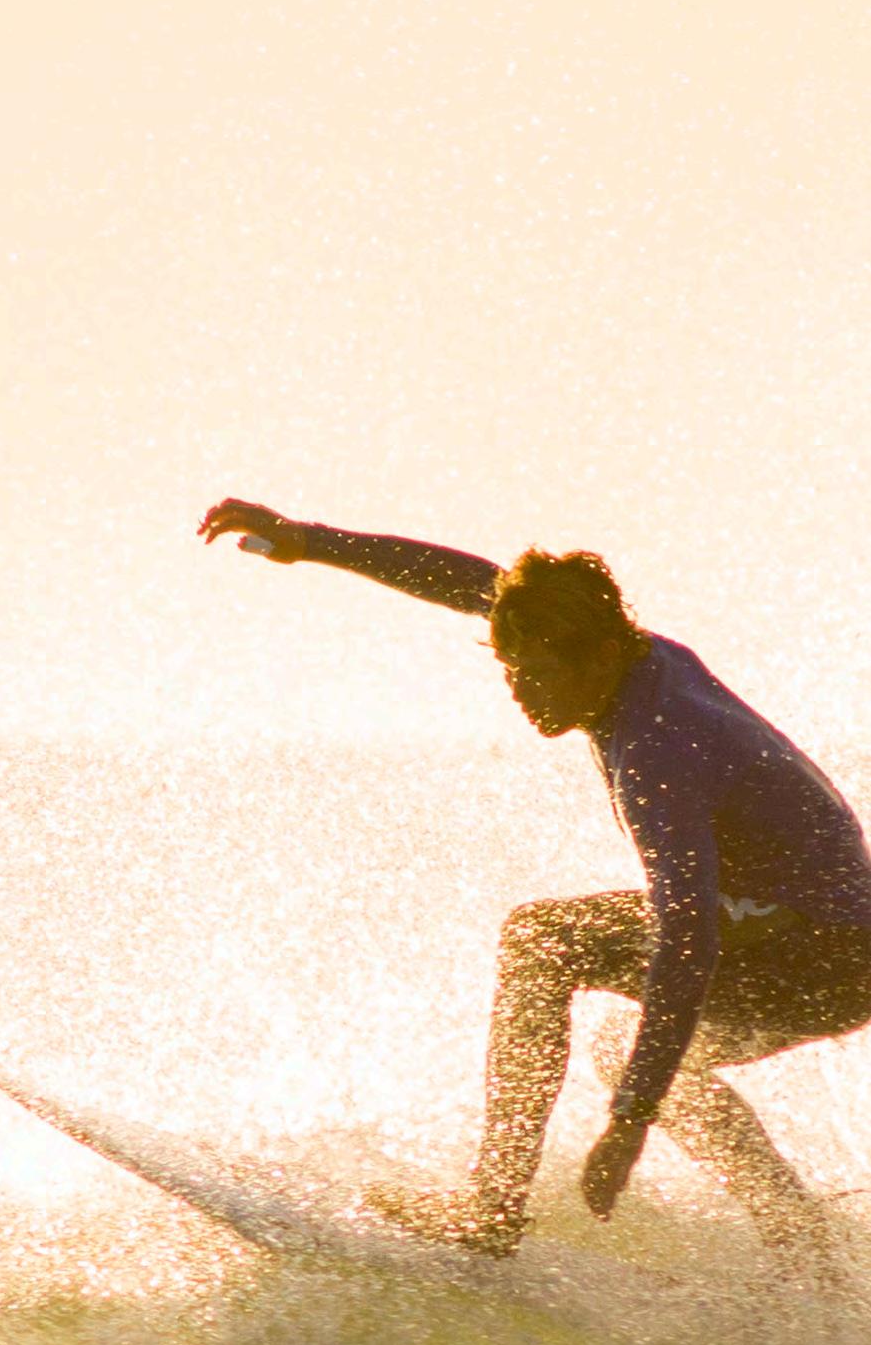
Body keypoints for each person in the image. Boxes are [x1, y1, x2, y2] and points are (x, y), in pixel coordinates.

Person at [198, 498, 871, 1277]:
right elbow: (472, 582)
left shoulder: (655, 749)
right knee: (629, 1046)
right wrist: (308, 541)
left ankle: (491, 1209)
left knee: (540, 941)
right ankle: (800, 1239)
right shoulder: (631, 655)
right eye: (508, 668)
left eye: (536, 673)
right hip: (836, 946)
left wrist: (629, 1120)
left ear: (594, 657)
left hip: (819, 950)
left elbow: (687, 933)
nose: (519, 691)